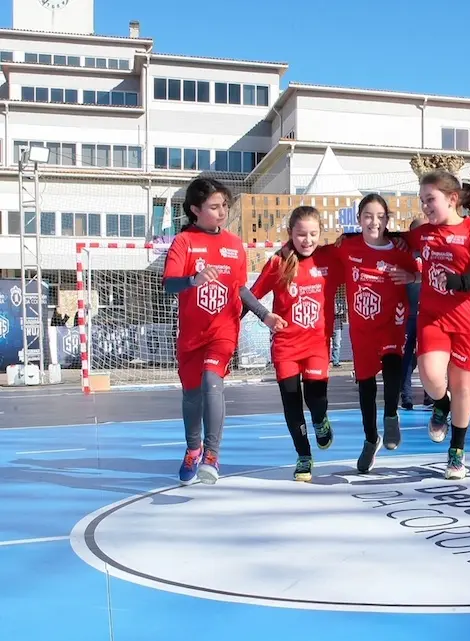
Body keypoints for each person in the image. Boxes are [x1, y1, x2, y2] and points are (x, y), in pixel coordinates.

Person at [162, 177, 277, 486]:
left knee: (213, 382)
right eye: (214, 206)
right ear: (195, 209)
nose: (222, 211)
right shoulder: (183, 242)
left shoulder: (234, 245)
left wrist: (264, 314)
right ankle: (193, 448)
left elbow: (241, 289)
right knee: (192, 395)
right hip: (190, 336)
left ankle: (211, 455)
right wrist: (192, 280)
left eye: (225, 205)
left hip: (223, 330)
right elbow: (168, 283)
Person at [405, 170, 470, 480]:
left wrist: (462, 282)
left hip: (469, 321)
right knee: (432, 378)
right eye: (422, 201)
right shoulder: (424, 233)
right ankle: (440, 404)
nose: (425, 207)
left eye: (430, 200)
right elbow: (396, 241)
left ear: (452, 199)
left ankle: (457, 451)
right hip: (433, 317)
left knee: (463, 386)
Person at [327, 194, 419, 472]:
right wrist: (286, 249)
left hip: (392, 325)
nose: (374, 221)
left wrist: (413, 277)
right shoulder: (348, 247)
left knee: (392, 369)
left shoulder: (400, 249)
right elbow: (316, 253)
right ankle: (370, 439)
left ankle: (391, 415)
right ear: (358, 219)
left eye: (380, 216)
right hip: (362, 332)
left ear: (388, 220)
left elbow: (424, 265)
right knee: (366, 390)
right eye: (368, 215)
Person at [249, 206, 335, 482]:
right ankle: (304, 456)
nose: (307, 240)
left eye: (313, 234)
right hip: (286, 346)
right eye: (301, 234)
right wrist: (264, 316)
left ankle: (321, 420)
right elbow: (251, 295)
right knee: (292, 402)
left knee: (316, 399)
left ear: (321, 234)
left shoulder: (329, 259)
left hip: (317, 345)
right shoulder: (278, 263)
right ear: (290, 234)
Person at [400, 217, 428, 410]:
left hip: (428, 313)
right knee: (407, 356)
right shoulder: (404, 252)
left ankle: (430, 394)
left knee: (428, 355)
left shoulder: (434, 252)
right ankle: (406, 395)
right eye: (416, 231)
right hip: (408, 313)